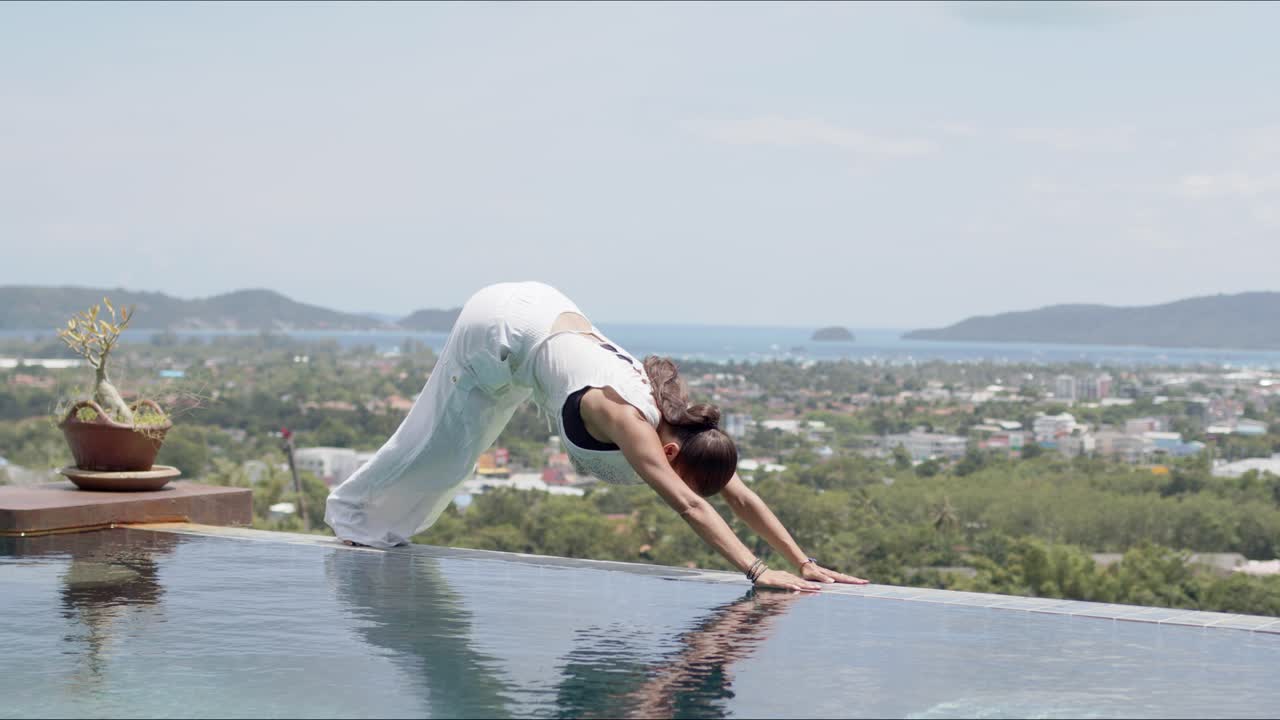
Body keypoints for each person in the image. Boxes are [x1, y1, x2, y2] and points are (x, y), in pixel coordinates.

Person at [325, 282, 867, 592]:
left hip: (548, 315)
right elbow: (689, 506)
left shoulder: (689, 431)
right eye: (682, 477)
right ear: (668, 452)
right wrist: (757, 571)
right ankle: (353, 516)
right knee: (444, 447)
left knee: (460, 450)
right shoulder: (632, 422)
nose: (688, 487)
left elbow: (740, 496)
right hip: (502, 326)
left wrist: (803, 561)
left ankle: (370, 519)